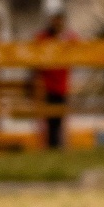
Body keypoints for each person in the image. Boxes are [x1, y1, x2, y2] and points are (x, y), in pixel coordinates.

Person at [35, 12, 75, 149]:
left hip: (62, 85)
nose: (57, 24)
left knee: (60, 119)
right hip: (46, 85)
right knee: (49, 120)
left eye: (59, 21)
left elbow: (77, 45)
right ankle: (50, 146)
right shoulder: (44, 37)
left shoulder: (68, 38)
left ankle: (60, 146)